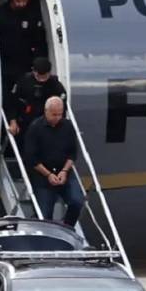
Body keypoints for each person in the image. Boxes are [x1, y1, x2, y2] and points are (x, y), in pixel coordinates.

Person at [24, 96, 84, 226]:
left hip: (64, 172)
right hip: (43, 177)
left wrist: (64, 171)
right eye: (54, 114)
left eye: (60, 114)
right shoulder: (35, 128)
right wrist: (48, 174)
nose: (57, 117)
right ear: (46, 112)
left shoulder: (68, 126)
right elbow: (31, 158)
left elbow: (72, 153)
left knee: (77, 201)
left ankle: (68, 227)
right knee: (45, 216)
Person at [0, 0, 49, 93]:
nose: (21, 4)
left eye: (24, 1)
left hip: (26, 62)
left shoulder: (33, 11)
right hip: (7, 61)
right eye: (18, 1)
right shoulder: (1, 14)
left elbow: (39, 37)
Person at [6, 57, 67, 138]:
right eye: (39, 76)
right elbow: (13, 102)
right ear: (33, 71)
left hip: (47, 124)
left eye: (45, 77)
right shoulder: (23, 81)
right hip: (25, 121)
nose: (41, 80)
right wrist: (12, 120)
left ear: (49, 73)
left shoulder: (56, 85)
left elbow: (62, 107)